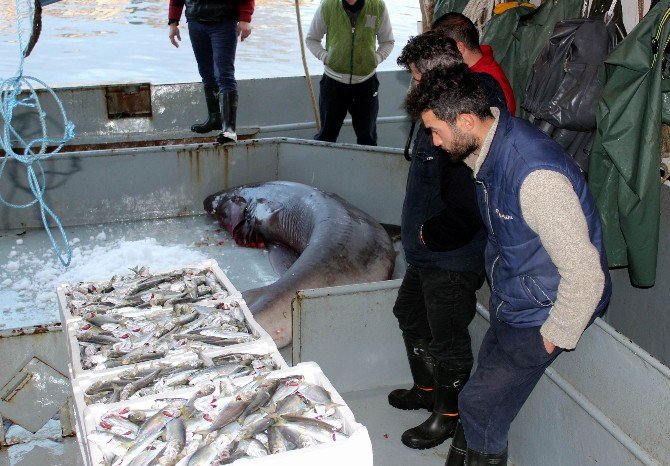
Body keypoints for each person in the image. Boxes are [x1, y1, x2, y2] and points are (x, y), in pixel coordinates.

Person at [404, 67, 611, 465]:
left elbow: (586, 275)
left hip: (543, 311)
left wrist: (553, 336)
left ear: (465, 120)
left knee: (479, 404)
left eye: (435, 131)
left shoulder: (534, 177)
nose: (433, 141)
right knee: (480, 397)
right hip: (515, 299)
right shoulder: (485, 149)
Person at [388, 30, 507, 451]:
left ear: (437, 72)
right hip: (426, 251)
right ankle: (426, 389)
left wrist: (429, 234)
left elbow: (470, 201)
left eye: (417, 76)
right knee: (409, 313)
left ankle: (448, 415)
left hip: (452, 256)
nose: (414, 83)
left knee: (449, 338)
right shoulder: (434, 111)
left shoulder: (462, 122)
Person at [305, 0, 394, 146]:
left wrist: (376, 59)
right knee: (326, 137)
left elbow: (388, 42)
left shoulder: (377, 6)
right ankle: (324, 167)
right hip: (333, 84)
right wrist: (324, 56)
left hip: (366, 84)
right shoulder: (328, 5)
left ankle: (366, 167)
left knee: (368, 138)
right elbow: (312, 39)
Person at [168, 0, 254, 143]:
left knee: (224, 74)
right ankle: (214, 118)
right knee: (206, 73)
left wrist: (245, 19)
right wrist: (173, 23)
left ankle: (229, 129)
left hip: (224, 21)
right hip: (196, 21)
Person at [433, 12, 515, 115]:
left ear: (459, 48)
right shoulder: (476, 62)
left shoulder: (487, 85)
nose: (437, 57)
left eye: (441, 50)